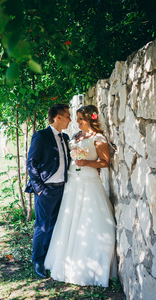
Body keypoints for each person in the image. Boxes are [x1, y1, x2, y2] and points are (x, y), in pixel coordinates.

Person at [44, 105, 116, 287]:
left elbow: (105, 162)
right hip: (73, 182)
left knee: (90, 220)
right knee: (70, 220)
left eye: (80, 119)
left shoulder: (98, 138)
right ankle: (67, 260)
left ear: (90, 119)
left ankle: (89, 264)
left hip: (88, 181)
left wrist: (86, 162)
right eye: (75, 118)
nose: (76, 122)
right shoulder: (77, 136)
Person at [25, 103, 71, 278]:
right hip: (46, 190)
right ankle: (38, 260)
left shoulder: (65, 137)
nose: (70, 120)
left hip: (63, 189)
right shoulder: (41, 136)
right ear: (58, 117)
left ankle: (49, 258)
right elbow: (31, 163)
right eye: (68, 116)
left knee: (54, 226)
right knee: (42, 227)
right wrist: (39, 189)